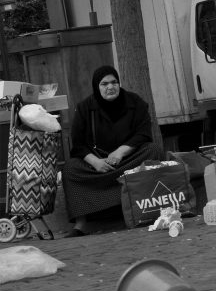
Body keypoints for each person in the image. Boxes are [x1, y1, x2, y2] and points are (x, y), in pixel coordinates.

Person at [62, 65, 164, 237]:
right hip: (99, 165)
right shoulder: (85, 108)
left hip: (128, 160)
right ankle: (81, 225)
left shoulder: (135, 102)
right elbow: (78, 144)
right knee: (70, 169)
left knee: (154, 150)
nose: (110, 87)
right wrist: (96, 162)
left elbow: (143, 134)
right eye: (104, 84)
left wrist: (120, 153)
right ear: (97, 86)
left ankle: (149, 210)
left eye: (114, 82)